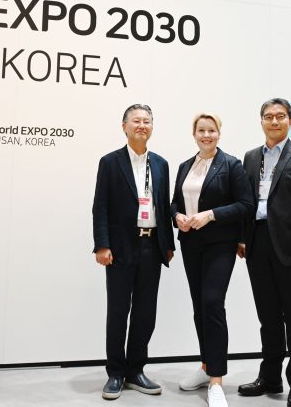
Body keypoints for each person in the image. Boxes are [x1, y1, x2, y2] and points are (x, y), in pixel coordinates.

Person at [237, 98, 291, 407]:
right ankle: (270, 376)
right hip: (257, 243)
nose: (274, 121)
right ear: (261, 121)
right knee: (268, 315)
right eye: (269, 116)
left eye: (280, 116)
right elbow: (247, 201)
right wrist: (242, 238)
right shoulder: (250, 157)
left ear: (290, 120)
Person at [92, 104, 175, 400]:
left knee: (145, 312)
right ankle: (115, 372)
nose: (142, 125)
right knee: (118, 311)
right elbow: (100, 205)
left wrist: (168, 244)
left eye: (147, 121)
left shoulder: (161, 164)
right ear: (124, 126)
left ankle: (136, 370)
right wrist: (102, 244)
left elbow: (163, 206)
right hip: (120, 248)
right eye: (136, 121)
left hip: (152, 246)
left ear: (152, 126)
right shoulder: (110, 162)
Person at [171, 113, 253, 407]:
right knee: (199, 307)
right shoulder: (185, 166)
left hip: (220, 244)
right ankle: (206, 366)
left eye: (211, 130)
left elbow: (246, 205)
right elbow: (174, 202)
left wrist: (212, 215)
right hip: (191, 243)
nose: (206, 135)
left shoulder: (231, 165)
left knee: (212, 304)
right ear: (194, 134)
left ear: (219, 133)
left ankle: (216, 379)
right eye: (201, 130)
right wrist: (177, 216)